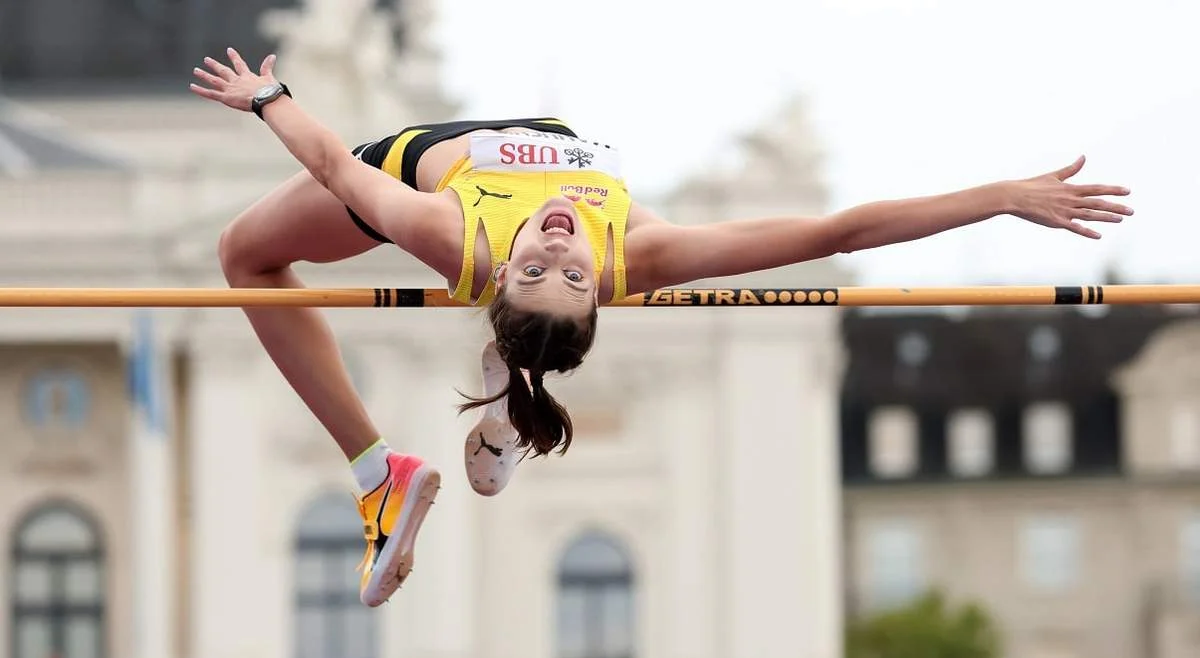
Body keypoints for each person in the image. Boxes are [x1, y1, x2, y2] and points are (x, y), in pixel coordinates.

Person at [190, 48, 1134, 607]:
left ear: (501, 273)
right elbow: (842, 229)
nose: (561, 242)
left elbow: (333, 166)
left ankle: (380, 474)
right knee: (530, 326)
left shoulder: (451, 231)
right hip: (539, 141)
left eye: (541, 268)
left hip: (424, 159)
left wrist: (270, 100)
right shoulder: (634, 255)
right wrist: (1001, 196)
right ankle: (506, 400)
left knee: (245, 258)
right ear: (596, 288)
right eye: (569, 272)